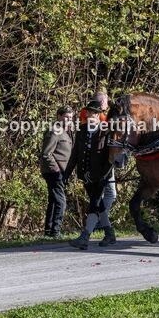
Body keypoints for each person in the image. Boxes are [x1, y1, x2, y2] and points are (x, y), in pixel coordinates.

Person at [70, 92, 118, 249]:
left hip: (101, 175)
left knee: (94, 204)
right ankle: (109, 234)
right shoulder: (82, 130)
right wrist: (67, 173)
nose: (89, 115)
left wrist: (102, 175)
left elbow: (111, 157)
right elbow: (75, 153)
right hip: (86, 175)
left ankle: (84, 237)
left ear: (98, 115)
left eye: (93, 113)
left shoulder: (106, 130)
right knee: (99, 206)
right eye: (88, 112)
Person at [40, 106, 75, 237]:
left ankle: (49, 231)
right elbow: (46, 154)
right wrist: (56, 169)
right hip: (53, 171)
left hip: (62, 171)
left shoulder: (67, 131)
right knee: (61, 201)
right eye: (66, 117)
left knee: (54, 200)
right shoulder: (55, 131)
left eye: (71, 117)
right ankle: (56, 231)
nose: (69, 119)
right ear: (59, 116)